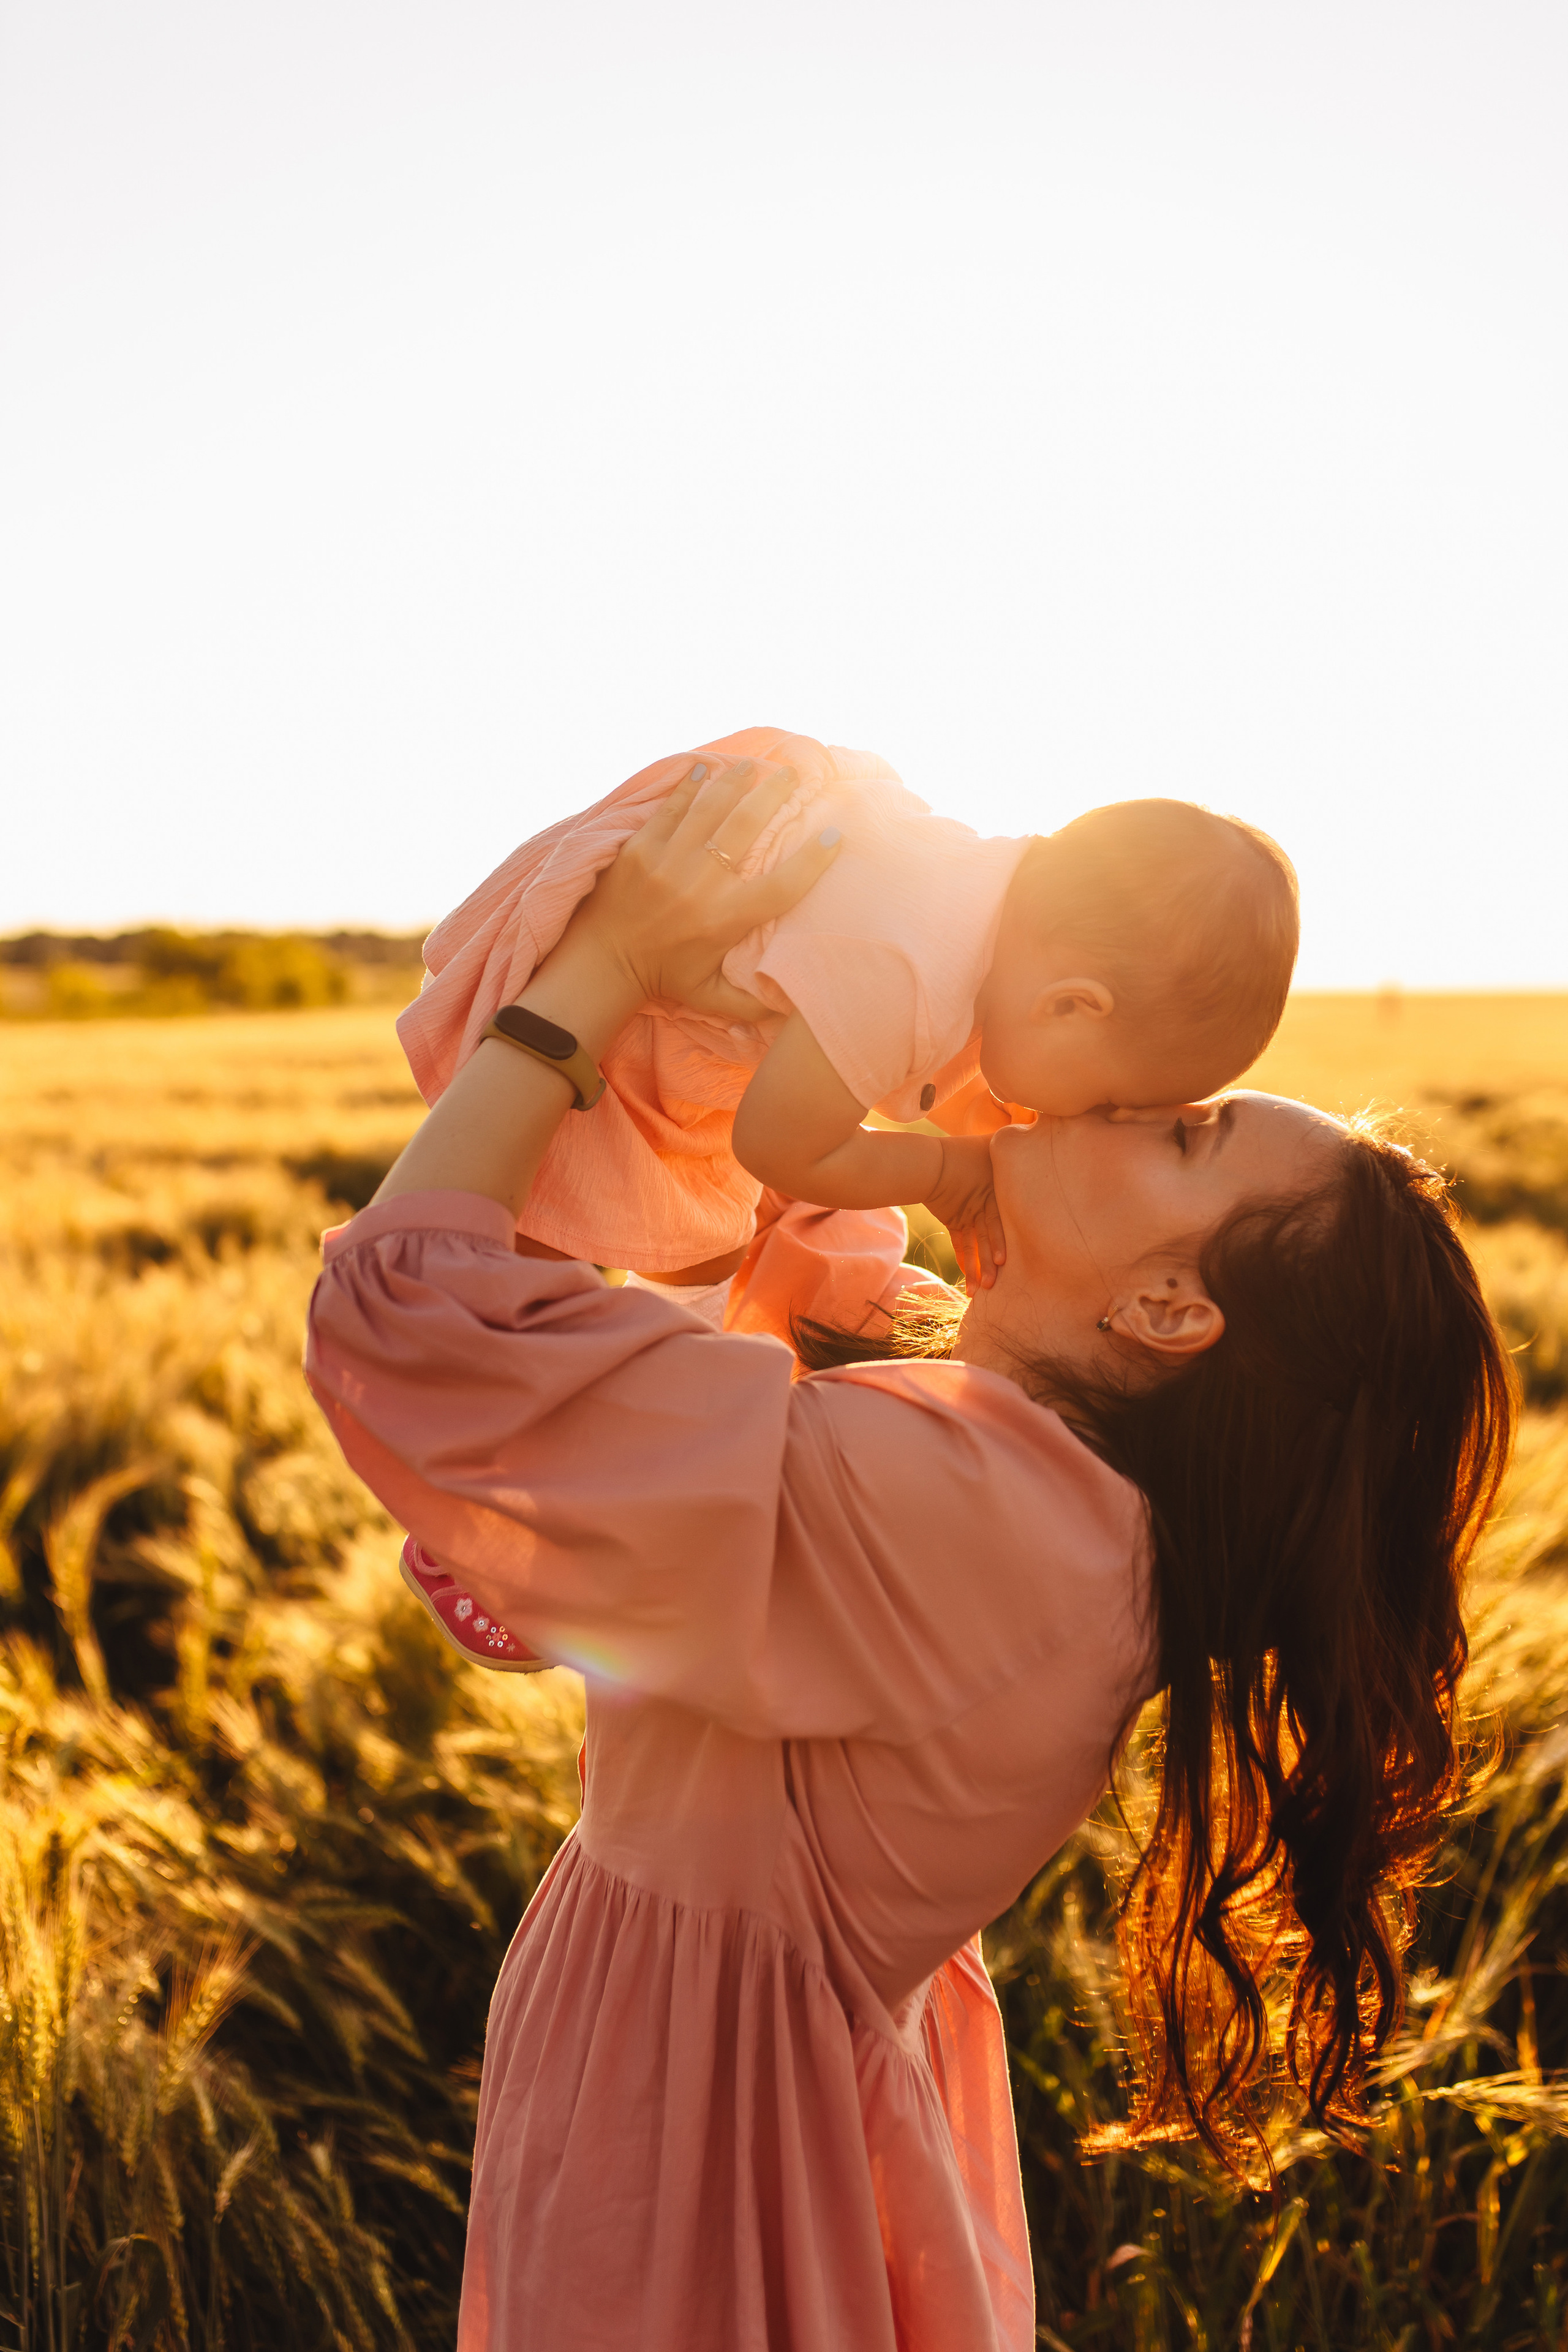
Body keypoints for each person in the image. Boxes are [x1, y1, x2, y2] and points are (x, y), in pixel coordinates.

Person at [306, 764, 1512, 2352]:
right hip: (746, 2101)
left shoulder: (970, 1513)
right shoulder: (1064, 1506)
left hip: (693, 2160)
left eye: (1181, 1133)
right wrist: (906, 1063)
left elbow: (413, 1316)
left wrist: (590, 982)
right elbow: (811, 1289)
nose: (1108, 1099)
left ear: (1168, 1313)